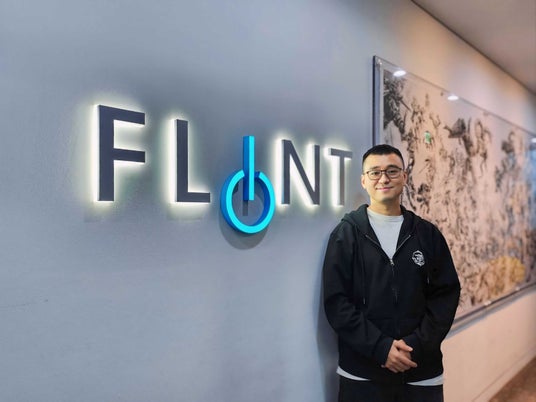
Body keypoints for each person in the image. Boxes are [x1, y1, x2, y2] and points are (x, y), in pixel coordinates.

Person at [322, 144, 460, 402]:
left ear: (404, 177)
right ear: (364, 181)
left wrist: (414, 347)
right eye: (375, 172)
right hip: (362, 374)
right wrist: (381, 347)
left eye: (392, 171)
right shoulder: (346, 234)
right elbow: (337, 303)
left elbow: (445, 296)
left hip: (420, 371)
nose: (383, 178)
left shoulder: (427, 234)